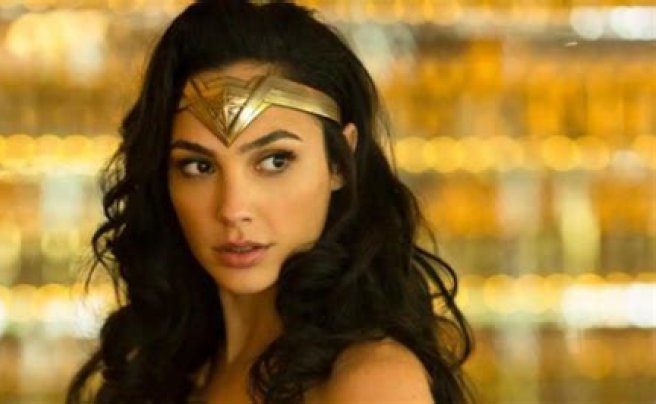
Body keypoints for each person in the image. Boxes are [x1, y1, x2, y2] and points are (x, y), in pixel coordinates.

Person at [67, 0, 473, 403]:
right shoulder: (165, 366)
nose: (233, 209)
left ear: (339, 162)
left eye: (275, 161)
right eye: (198, 166)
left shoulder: (370, 381)